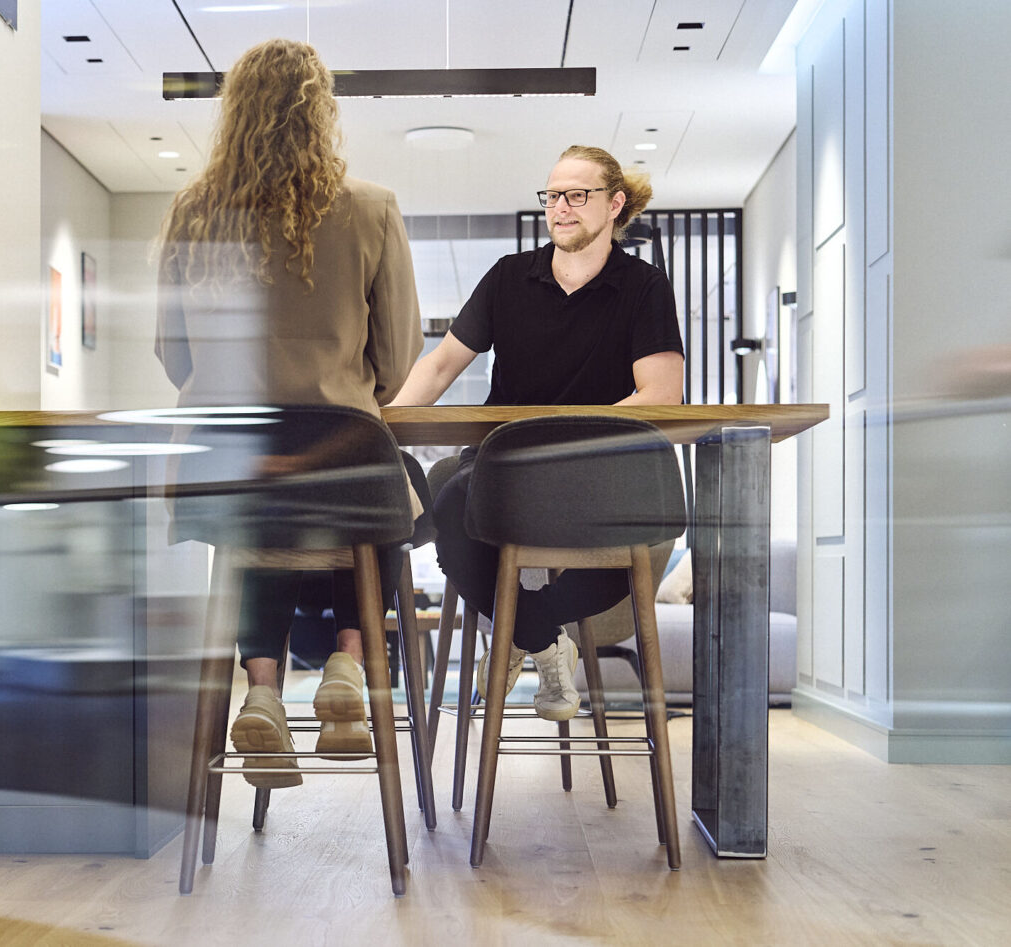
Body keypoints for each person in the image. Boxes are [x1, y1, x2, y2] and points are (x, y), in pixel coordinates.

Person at [155, 39, 423, 787]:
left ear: (235, 110)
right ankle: (346, 660)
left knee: (257, 528)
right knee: (386, 509)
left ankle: (264, 691)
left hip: (229, 467)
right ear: (322, 113)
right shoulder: (372, 209)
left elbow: (171, 353)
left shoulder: (193, 210)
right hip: (343, 458)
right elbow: (399, 366)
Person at [391, 144, 684, 721]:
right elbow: (440, 365)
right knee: (448, 501)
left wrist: (573, 440)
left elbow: (661, 394)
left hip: (597, 472)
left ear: (614, 204)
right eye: (553, 195)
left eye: (578, 194)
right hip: (504, 469)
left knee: (635, 540)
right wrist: (388, 425)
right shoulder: (507, 278)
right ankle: (545, 643)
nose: (562, 207)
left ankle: (516, 634)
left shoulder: (644, 287)